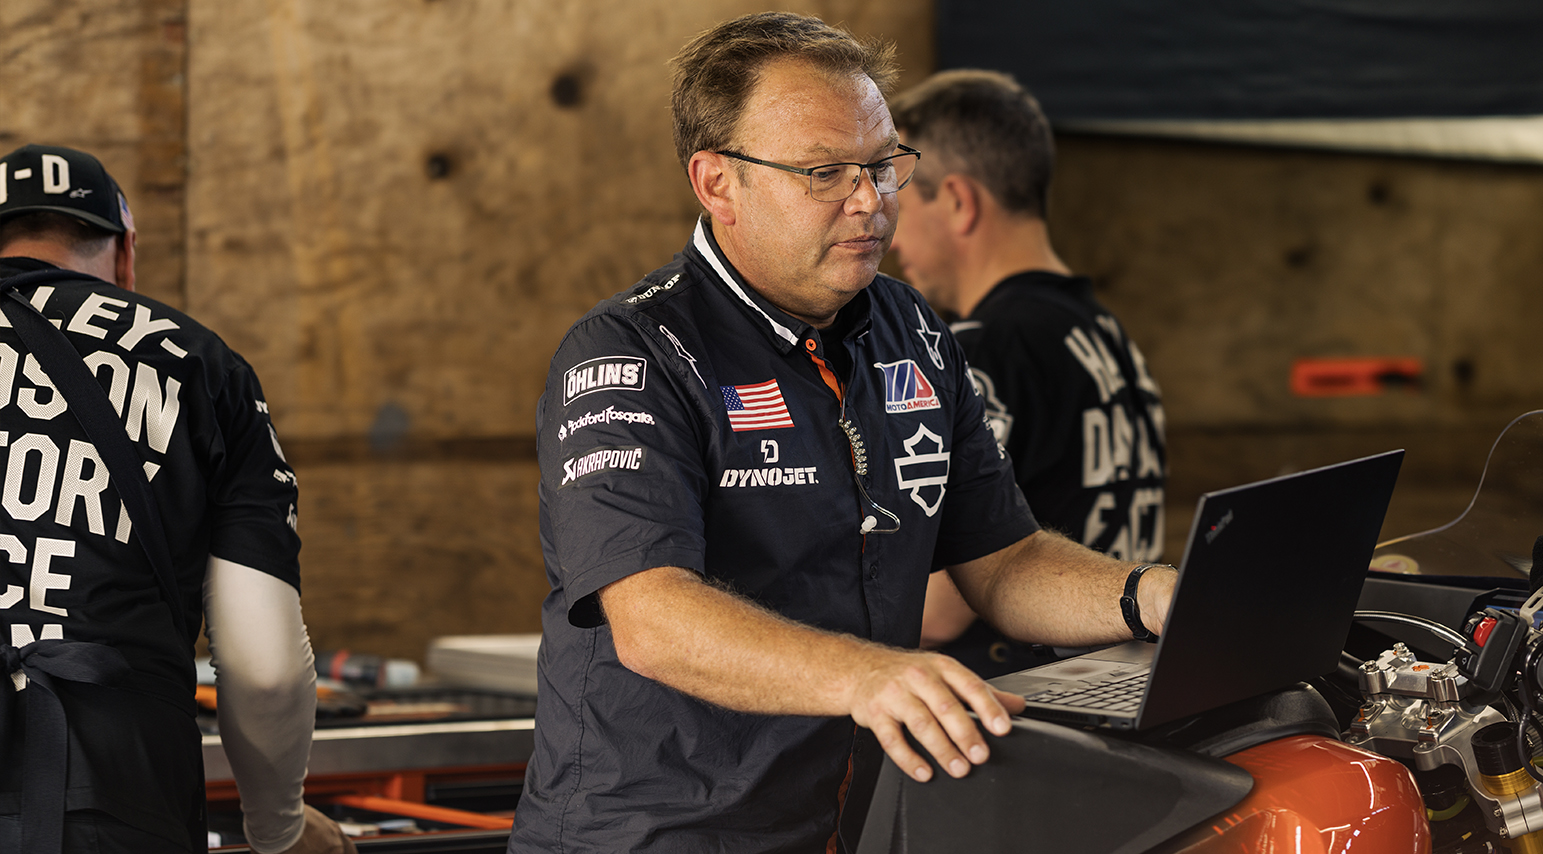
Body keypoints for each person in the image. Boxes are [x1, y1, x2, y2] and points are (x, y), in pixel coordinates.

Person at [514, 13, 1178, 854]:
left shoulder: (912, 325)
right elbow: (654, 618)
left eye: (882, 165)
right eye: (823, 172)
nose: (869, 200)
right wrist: (870, 673)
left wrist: (1148, 595)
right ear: (717, 182)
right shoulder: (628, 352)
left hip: (858, 824)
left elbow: (1002, 559)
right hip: (658, 834)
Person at [0, 145, 353, 854]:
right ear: (126, 252)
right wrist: (277, 829)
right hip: (115, 799)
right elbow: (265, 662)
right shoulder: (201, 366)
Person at [889, 71, 1169, 677]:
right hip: (1124, 673)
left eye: (902, 201)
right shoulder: (1104, 335)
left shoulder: (985, 349)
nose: (889, 235)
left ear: (959, 202)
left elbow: (934, 611)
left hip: (1027, 701)